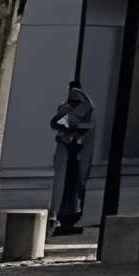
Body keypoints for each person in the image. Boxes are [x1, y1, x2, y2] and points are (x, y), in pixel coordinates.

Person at [47, 83, 94, 235]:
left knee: (74, 185)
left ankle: (69, 215)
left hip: (76, 154)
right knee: (66, 184)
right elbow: (57, 123)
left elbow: (74, 125)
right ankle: (63, 215)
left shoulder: (85, 109)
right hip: (70, 152)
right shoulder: (68, 108)